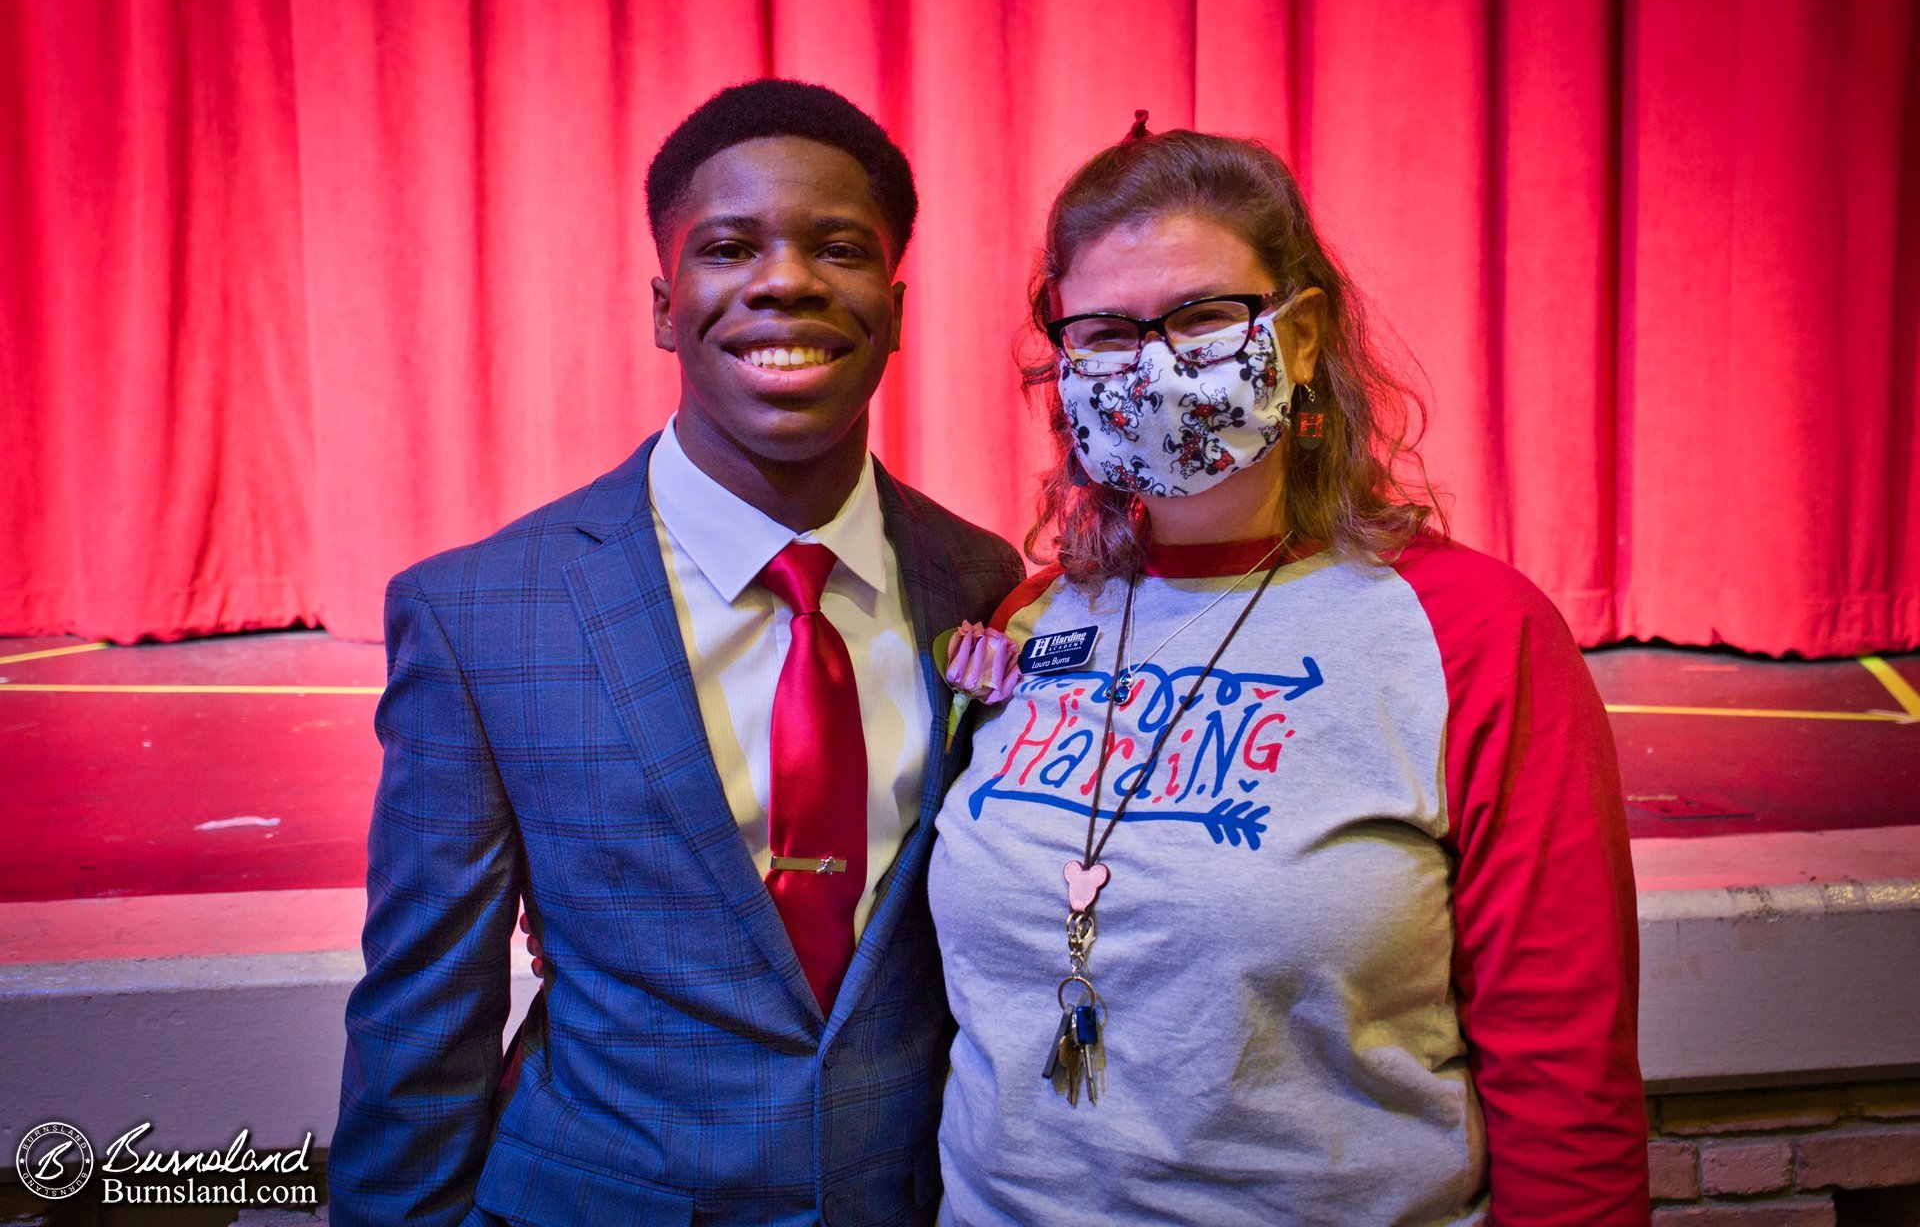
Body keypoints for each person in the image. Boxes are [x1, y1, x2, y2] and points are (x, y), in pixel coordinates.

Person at [925, 121, 1648, 1224]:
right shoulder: (1033, 614)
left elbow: (1565, 1074)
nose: (1154, 366)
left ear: (1301, 335)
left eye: (1203, 318)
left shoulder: (1473, 633)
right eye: (1107, 333)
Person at [328, 79, 1022, 1227]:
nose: (788, 279)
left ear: (895, 308)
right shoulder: (481, 614)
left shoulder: (987, 582)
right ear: (665, 302)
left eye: (839, 247)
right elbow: (421, 1013)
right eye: (731, 245)